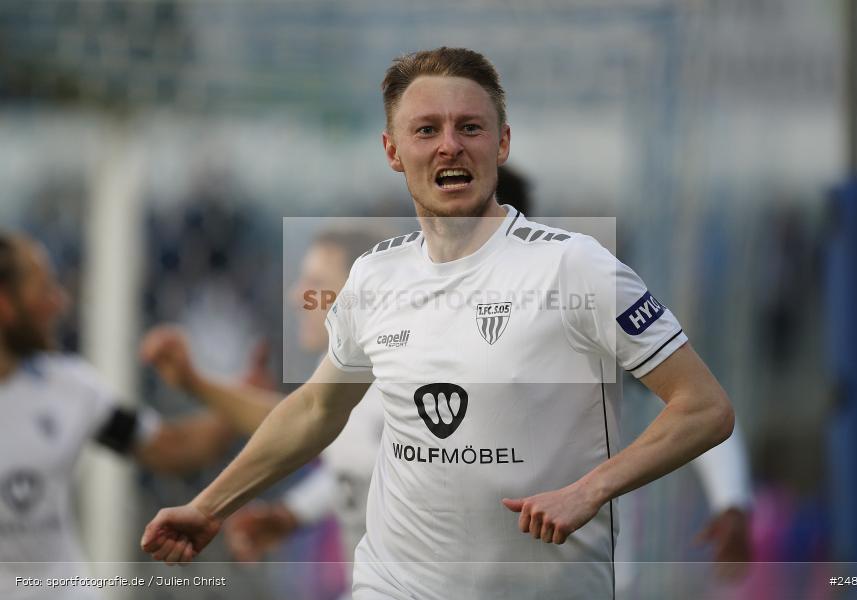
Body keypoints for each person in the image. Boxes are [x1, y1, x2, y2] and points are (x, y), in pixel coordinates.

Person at [140, 47, 734, 600]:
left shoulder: (575, 266)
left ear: (501, 143)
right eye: (427, 130)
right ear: (394, 151)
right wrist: (211, 506)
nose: (450, 145)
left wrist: (590, 489)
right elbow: (318, 411)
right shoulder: (374, 276)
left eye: (469, 127)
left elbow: (704, 407)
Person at [142, 227, 386, 596]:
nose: (297, 295)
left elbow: (311, 425)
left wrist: (210, 508)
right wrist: (293, 513)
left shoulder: (401, 383)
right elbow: (300, 423)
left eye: (316, 281)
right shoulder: (352, 377)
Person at [0, 232, 235, 599]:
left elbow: (169, 447)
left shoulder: (68, 389)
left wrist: (238, 407)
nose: (59, 302)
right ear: (5, 304)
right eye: (43, 288)